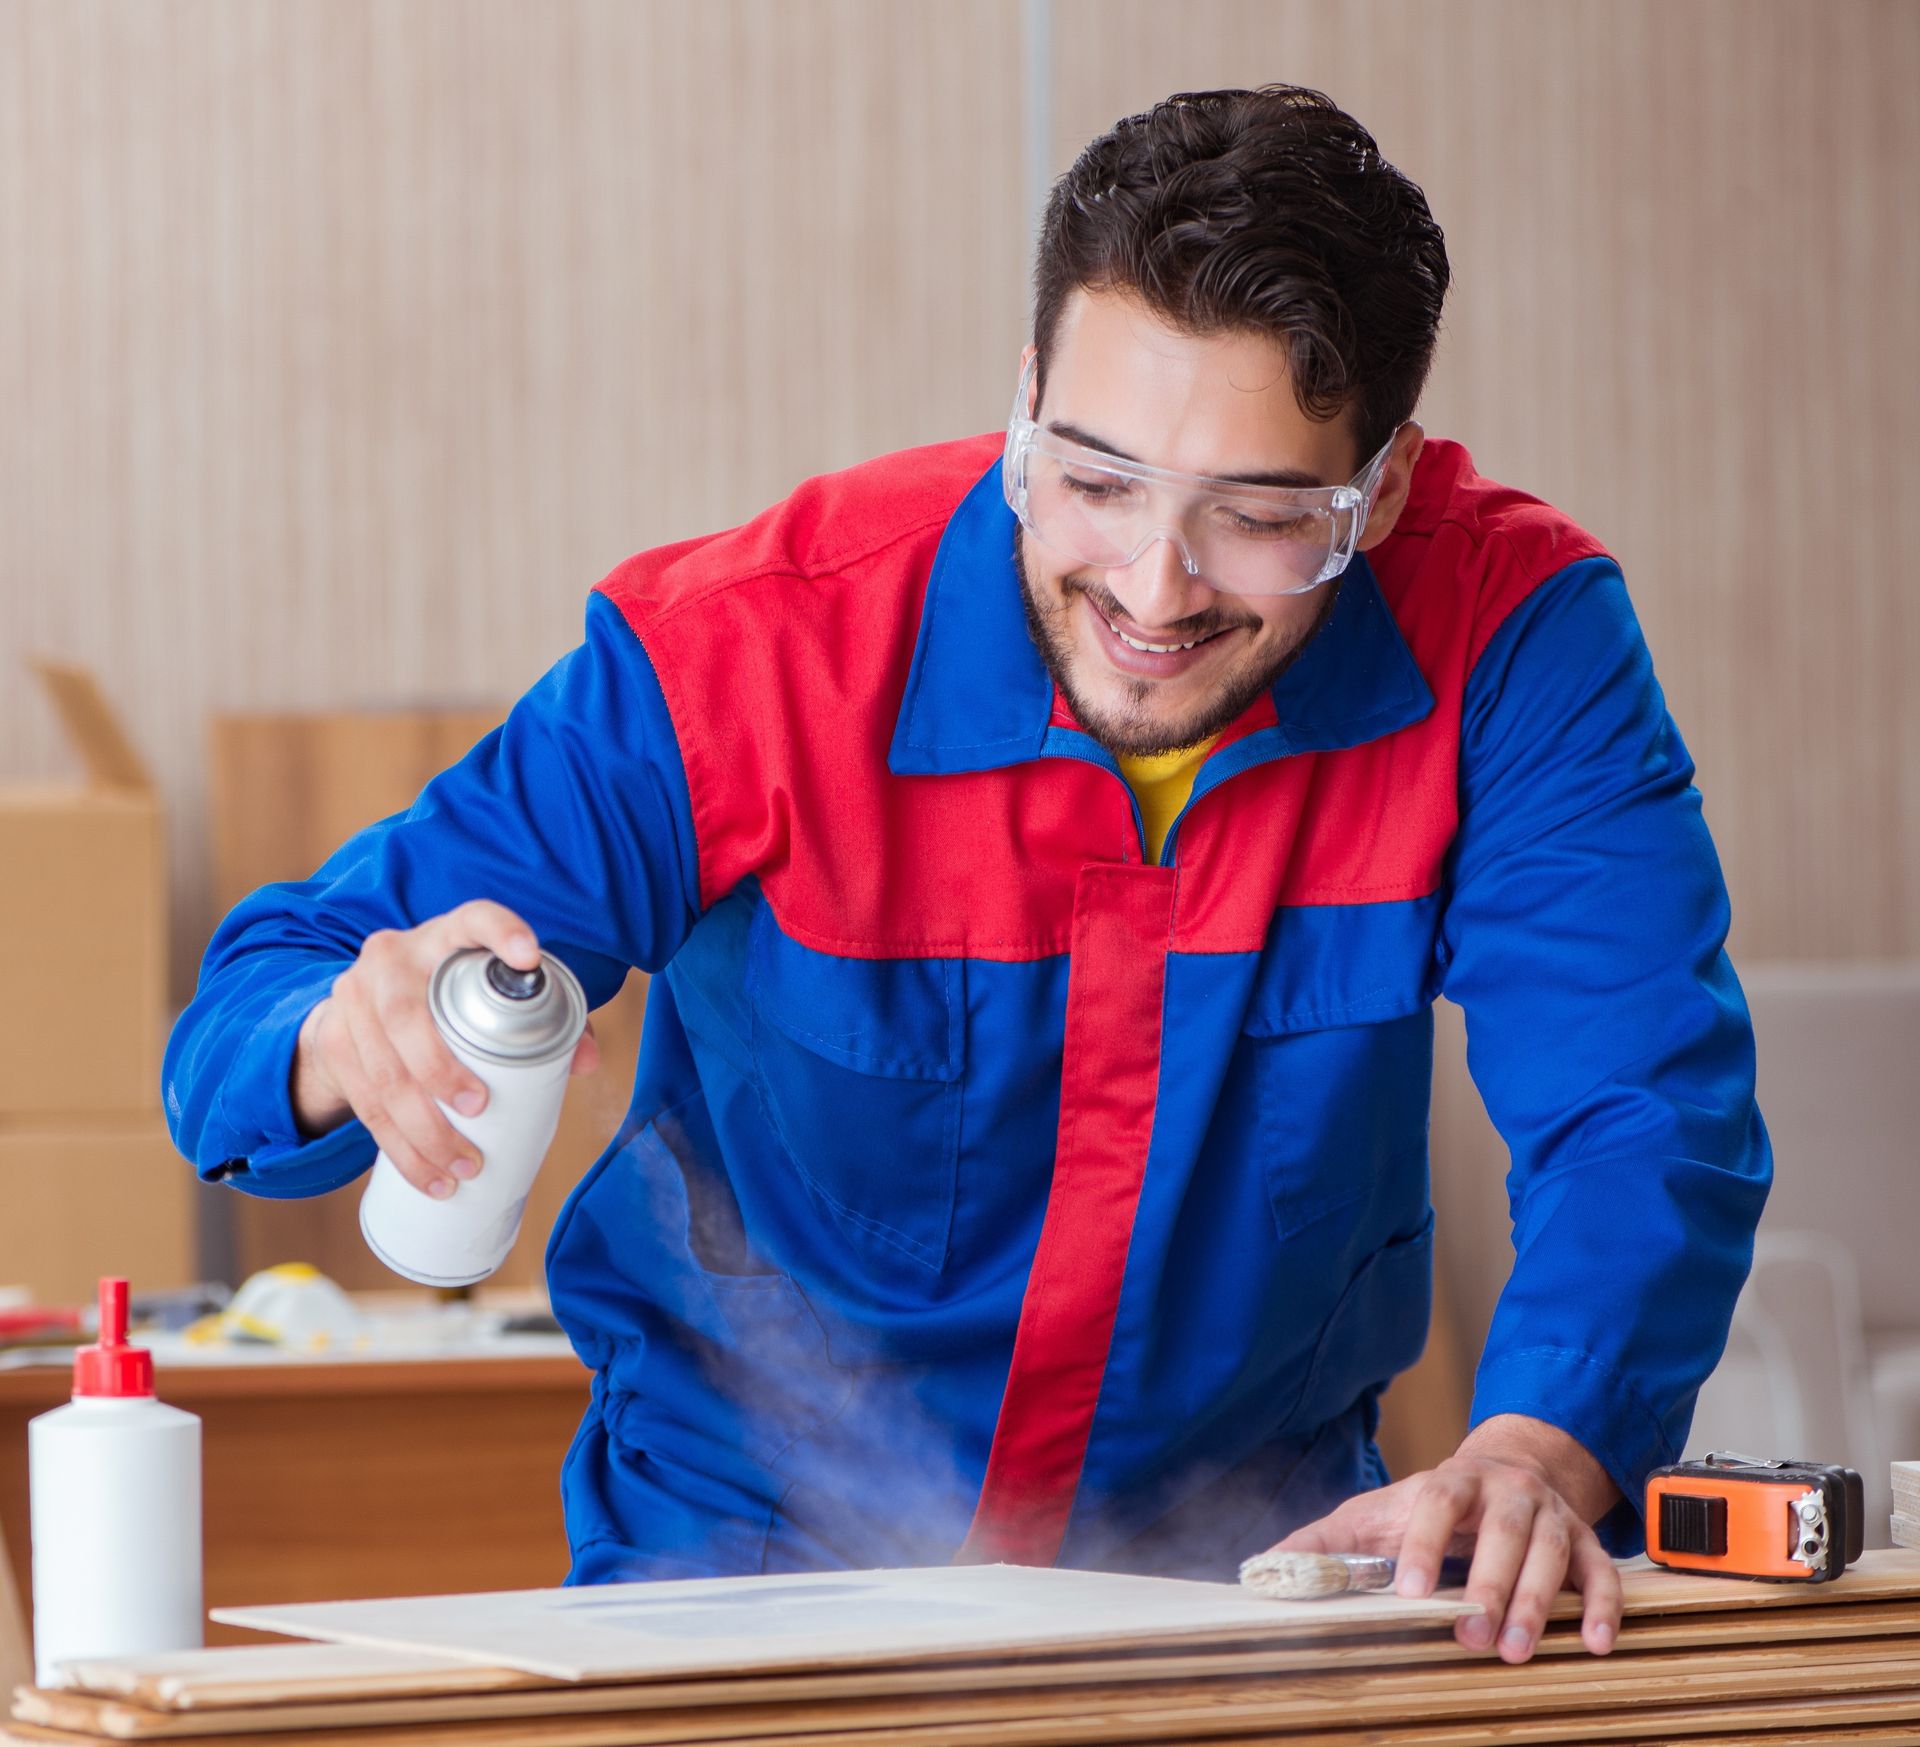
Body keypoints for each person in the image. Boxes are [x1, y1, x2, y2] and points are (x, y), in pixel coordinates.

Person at [164, 85, 1770, 1664]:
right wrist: (333, 1039)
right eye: (1096, 478)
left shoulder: (1514, 645)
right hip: (744, 1598)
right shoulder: (743, 656)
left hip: (1239, 1601)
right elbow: (257, 997)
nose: (1155, 584)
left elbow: (1641, 1106)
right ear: (1022, 408)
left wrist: (1545, 1442)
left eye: (1262, 514)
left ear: (1386, 490)